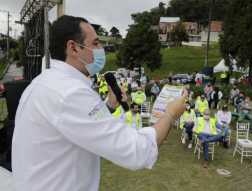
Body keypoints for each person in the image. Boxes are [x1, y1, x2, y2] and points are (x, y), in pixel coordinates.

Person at [12, 15, 187, 191]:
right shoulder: (70, 93)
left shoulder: (44, 83)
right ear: (73, 48)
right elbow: (137, 151)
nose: (101, 49)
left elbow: (79, 128)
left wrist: (109, 106)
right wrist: (170, 114)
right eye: (95, 43)